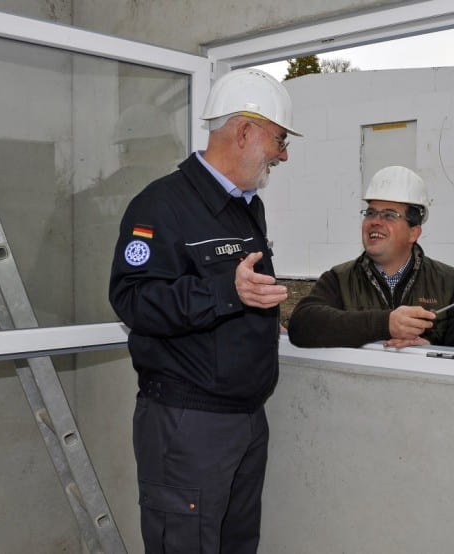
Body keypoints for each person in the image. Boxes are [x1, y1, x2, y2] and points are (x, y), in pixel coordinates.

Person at [108, 67, 301, 554]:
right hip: (188, 425)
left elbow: (242, 293)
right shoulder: (161, 205)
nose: (283, 154)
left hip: (245, 421)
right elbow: (133, 300)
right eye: (278, 139)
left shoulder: (244, 206)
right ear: (243, 132)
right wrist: (226, 292)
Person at [288, 165, 454, 349]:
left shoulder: (449, 283)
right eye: (370, 213)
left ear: (414, 232)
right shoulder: (339, 279)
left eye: (389, 215)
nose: (375, 222)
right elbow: (302, 326)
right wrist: (384, 324)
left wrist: (429, 348)